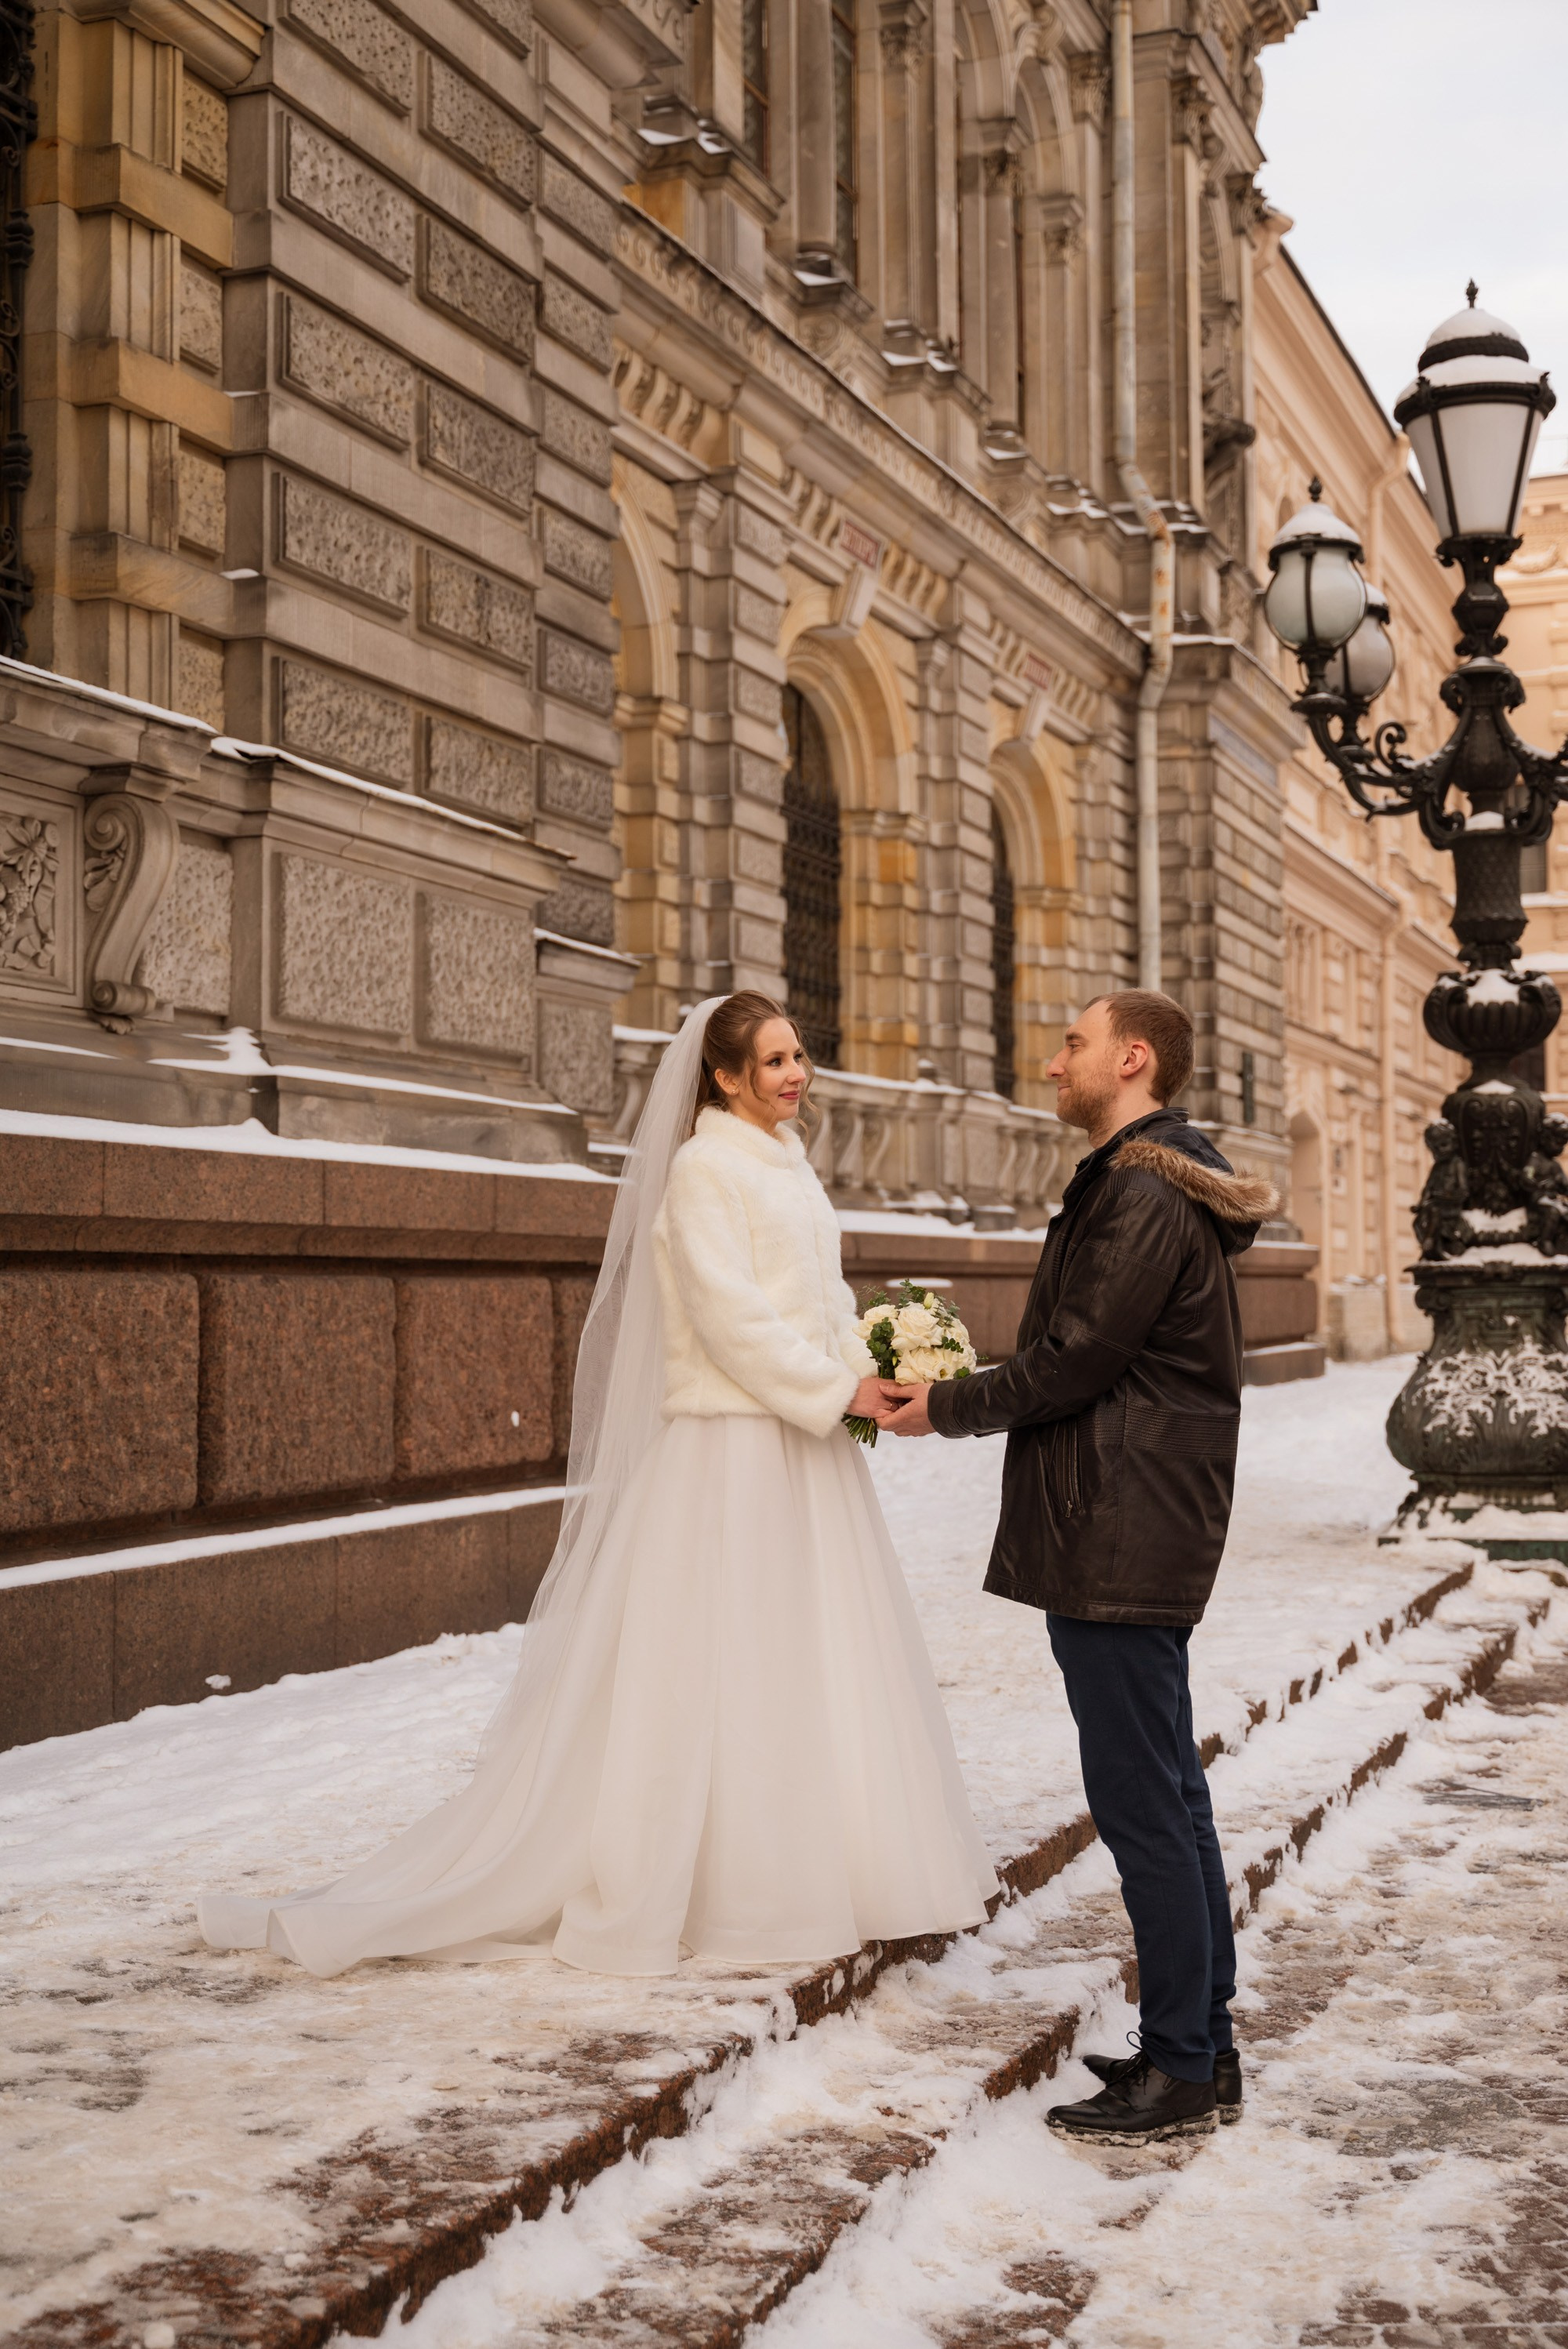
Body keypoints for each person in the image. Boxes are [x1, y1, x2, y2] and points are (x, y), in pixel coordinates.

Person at [199, 993, 997, 1978]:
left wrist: (861, 1377)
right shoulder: (703, 1172)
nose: (796, 1074)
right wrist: (832, 1388)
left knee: (807, 1655)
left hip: (805, 1447)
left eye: (799, 1055)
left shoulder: (788, 1165)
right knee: (726, 1665)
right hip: (732, 1449)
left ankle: (837, 1866)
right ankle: (737, 1891)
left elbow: (821, 1297)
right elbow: (727, 1317)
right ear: (723, 1075)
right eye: (775, 1060)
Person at [880, 990, 1276, 2141]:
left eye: (1073, 1044)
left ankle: (1187, 2066)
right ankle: (1198, 2046)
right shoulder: (1142, 1182)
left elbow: (1074, 1360)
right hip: (1132, 1516)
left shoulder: (1144, 1190)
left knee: (1145, 1801)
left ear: (1134, 1060)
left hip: (1124, 1523)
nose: (1053, 1061)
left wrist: (940, 1407)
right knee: (1169, 1791)